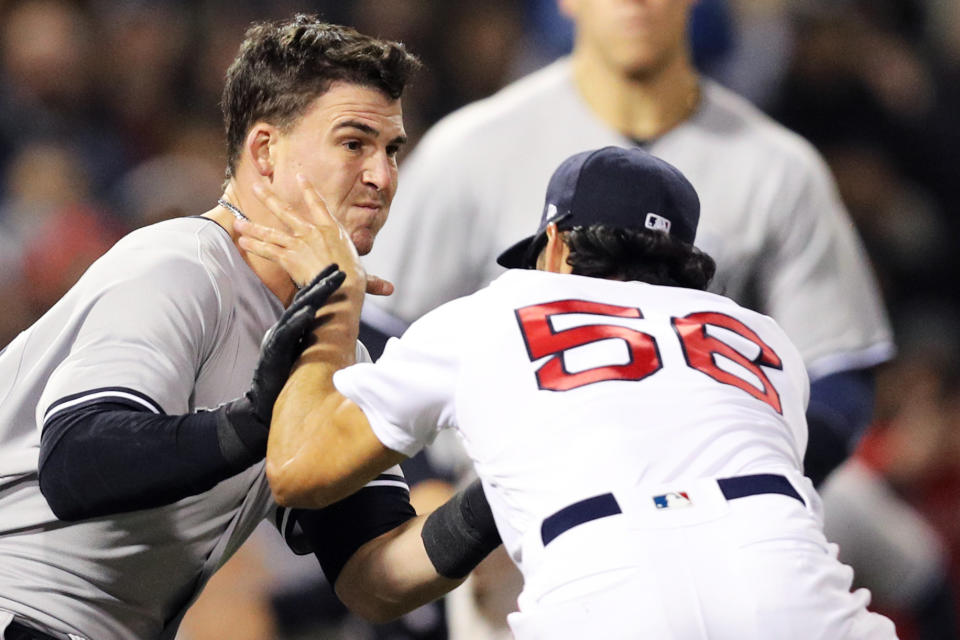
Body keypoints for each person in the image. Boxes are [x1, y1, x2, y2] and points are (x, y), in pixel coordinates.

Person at [238, 145, 899, 639]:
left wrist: (331, 305)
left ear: (553, 247)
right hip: (799, 596)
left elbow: (299, 472)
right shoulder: (767, 340)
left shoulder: (503, 306)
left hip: (606, 598)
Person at [0, 16, 501, 640]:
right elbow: (78, 464)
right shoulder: (183, 263)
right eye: (354, 143)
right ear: (264, 152)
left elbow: (372, 576)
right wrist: (256, 421)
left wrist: (500, 494)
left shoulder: (333, 353)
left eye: (392, 149)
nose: (383, 176)